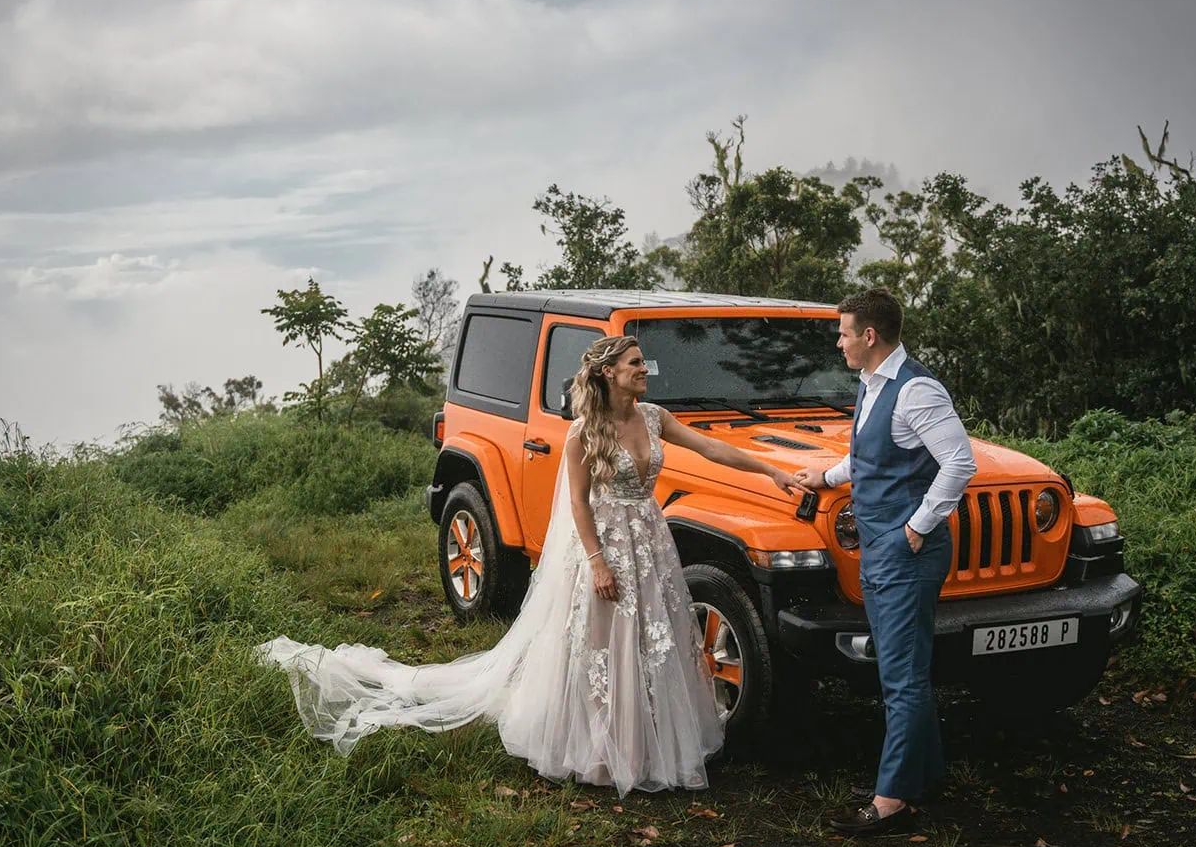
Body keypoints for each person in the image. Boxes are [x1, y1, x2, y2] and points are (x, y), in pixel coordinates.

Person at [258, 335, 799, 797]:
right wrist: (596, 563)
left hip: (649, 538)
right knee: (600, 639)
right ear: (609, 373)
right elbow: (581, 503)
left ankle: (649, 739)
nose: (644, 371)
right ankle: (601, 746)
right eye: (636, 364)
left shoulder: (656, 418)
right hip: (604, 543)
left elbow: (712, 449)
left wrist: (771, 472)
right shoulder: (585, 433)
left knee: (650, 635)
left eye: (642, 364)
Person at [794, 289, 977, 836]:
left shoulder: (916, 389)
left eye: (844, 332)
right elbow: (870, 455)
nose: (839, 341)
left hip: (904, 551)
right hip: (881, 547)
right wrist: (824, 477)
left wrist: (918, 527)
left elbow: (959, 462)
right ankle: (925, 775)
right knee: (907, 667)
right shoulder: (873, 385)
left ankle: (892, 798)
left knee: (900, 676)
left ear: (869, 336)